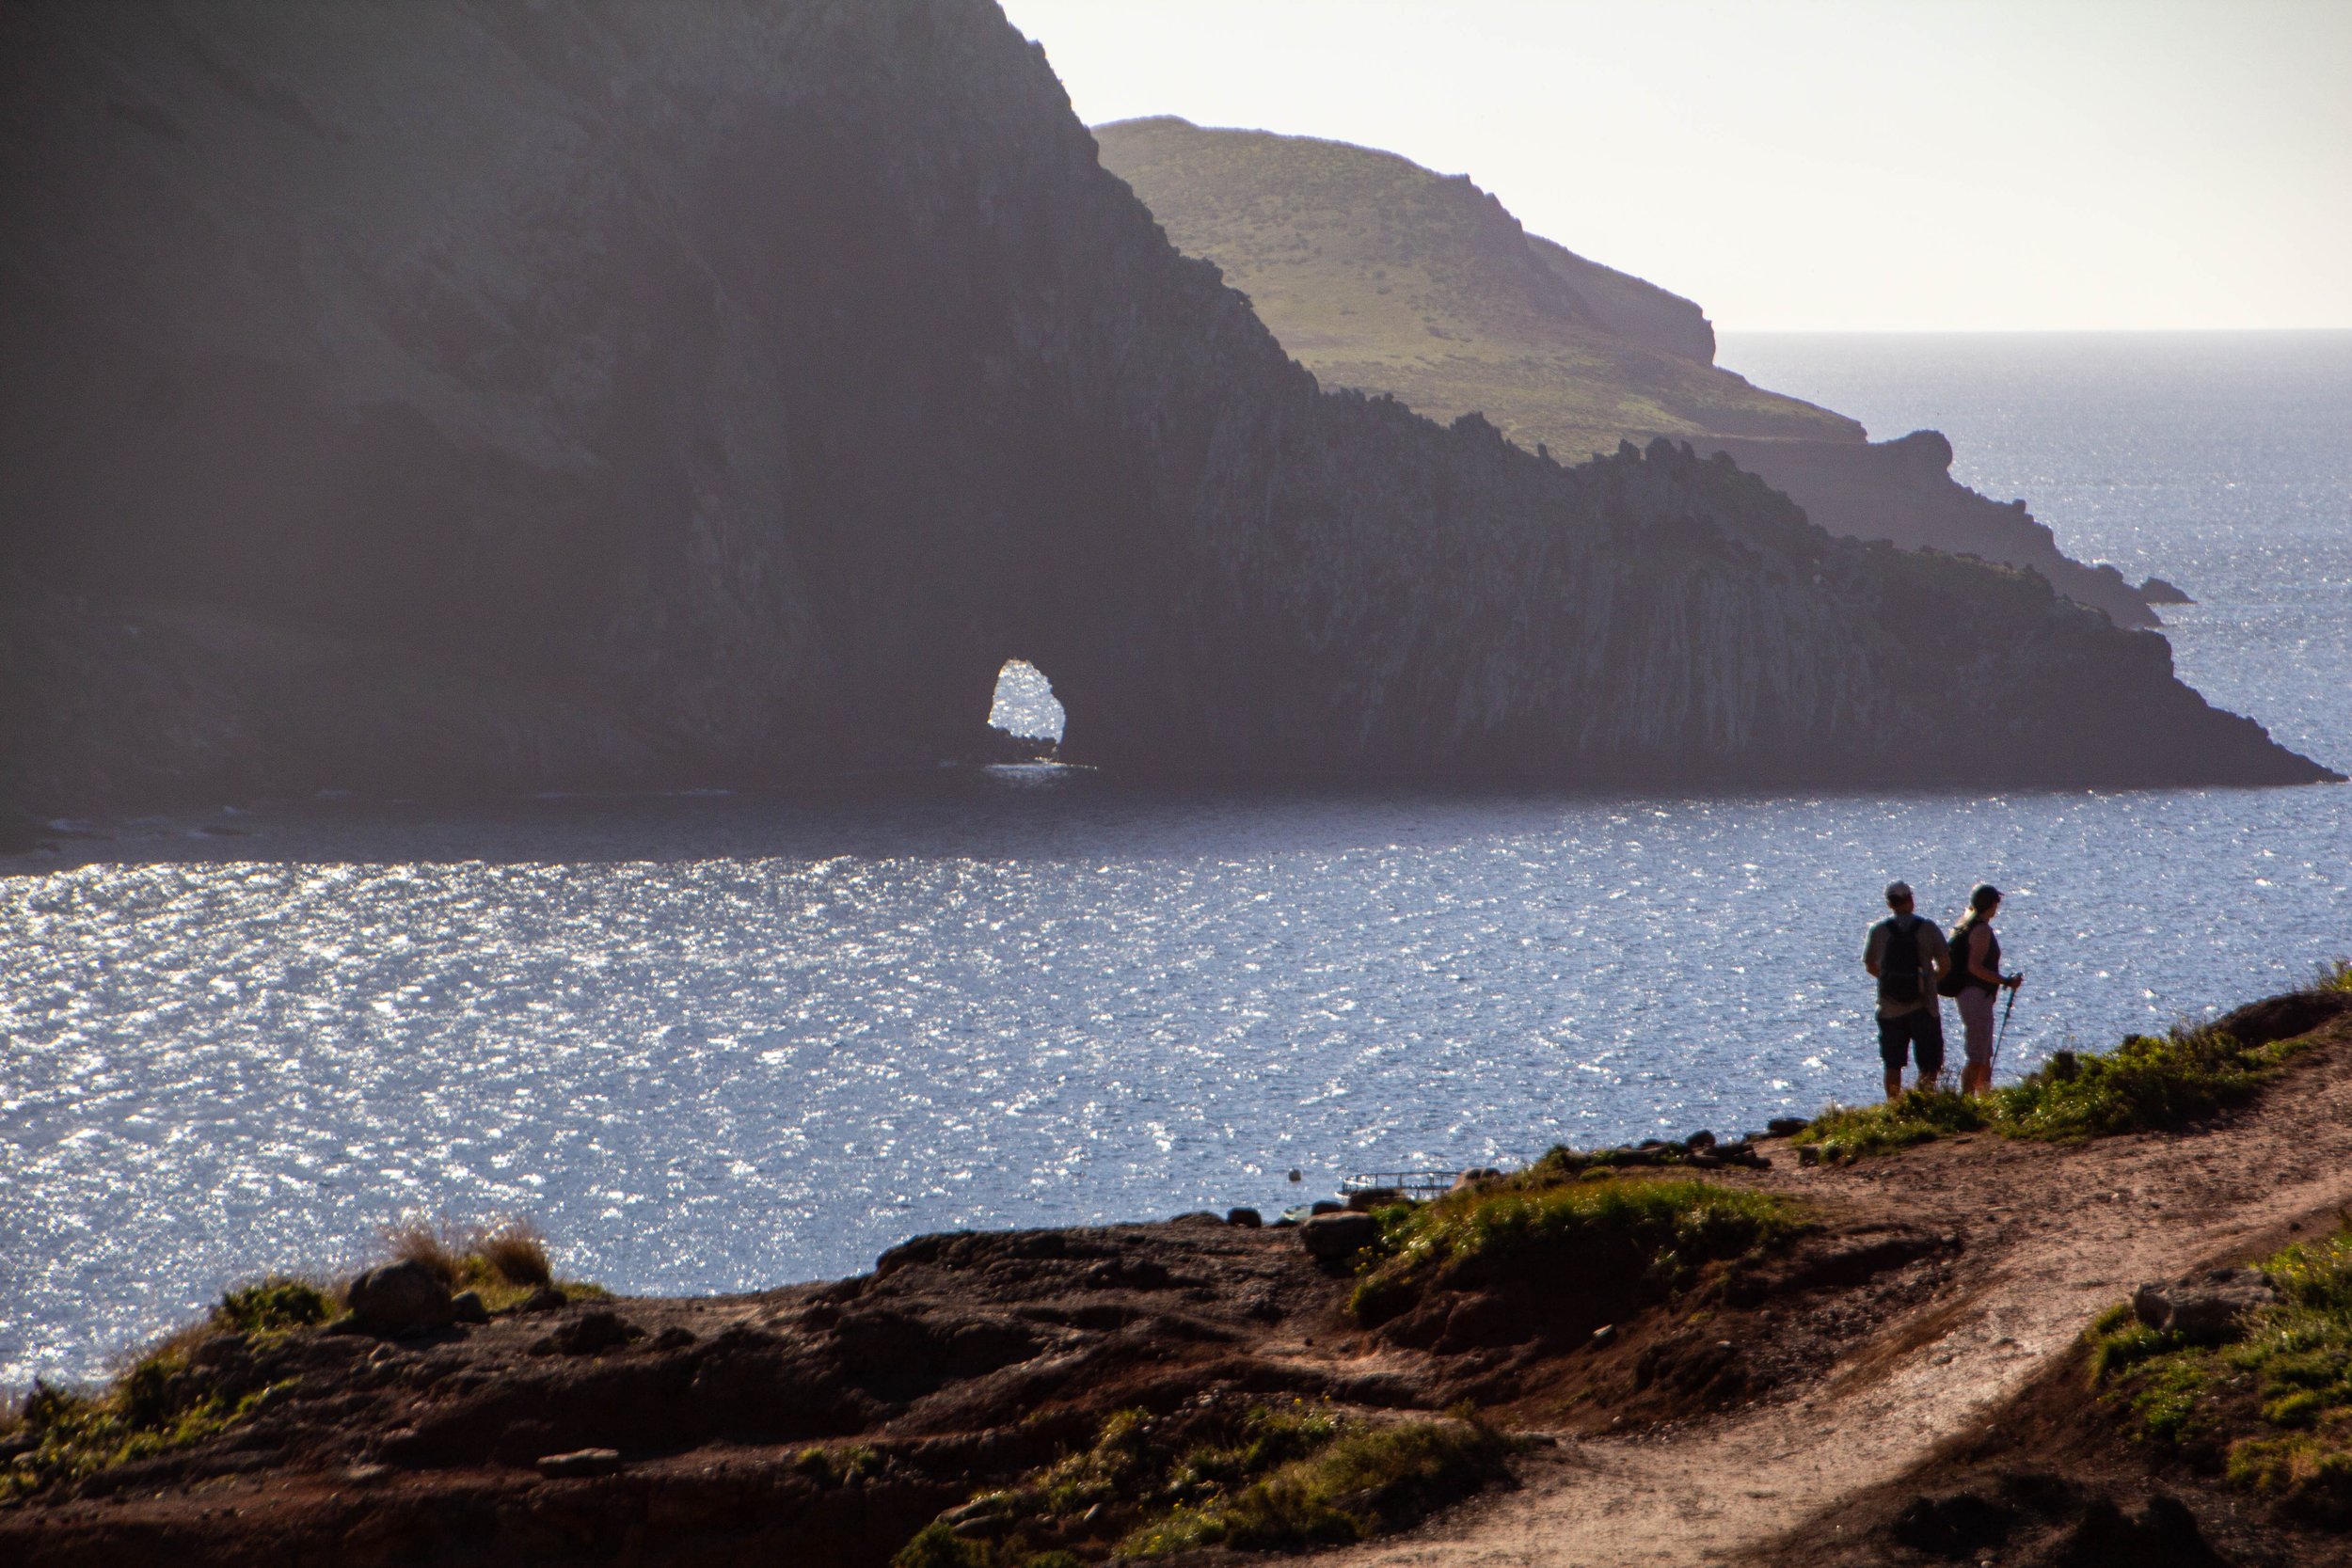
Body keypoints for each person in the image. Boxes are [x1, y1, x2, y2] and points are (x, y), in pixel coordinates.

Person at [1863, 880, 1949, 1101]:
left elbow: (1871, 965)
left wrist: (1891, 981)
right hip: (1924, 1006)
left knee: (1893, 1064)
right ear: (1910, 899)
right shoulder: (1927, 927)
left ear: (1889, 904)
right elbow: (1946, 964)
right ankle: (1923, 1104)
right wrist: (1927, 982)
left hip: (1889, 1009)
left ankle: (1895, 1108)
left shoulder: (1878, 929)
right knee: (1929, 1064)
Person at [1947, 883, 2024, 1095]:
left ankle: (1983, 1097)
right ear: (1991, 905)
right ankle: (1968, 1100)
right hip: (1976, 995)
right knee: (1977, 1054)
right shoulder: (1981, 930)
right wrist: (2005, 981)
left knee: (1982, 1052)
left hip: (1973, 995)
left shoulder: (1966, 925)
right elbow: (1974, 966)